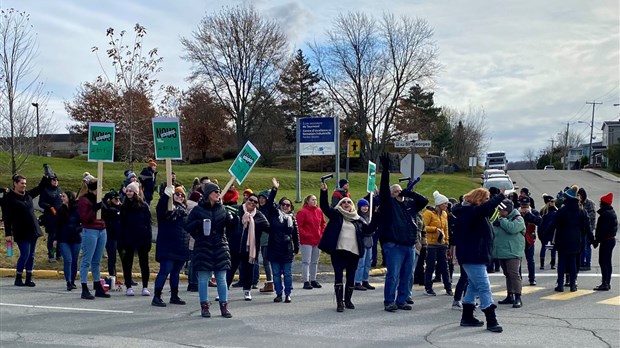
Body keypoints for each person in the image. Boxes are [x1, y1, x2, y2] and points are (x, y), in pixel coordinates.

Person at [378, 153, 428, 313]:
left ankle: (402, 299)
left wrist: (409, 193)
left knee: (407, 275)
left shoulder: (410, 205)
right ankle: (389, 301)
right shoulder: (389, 205)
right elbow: (384, 190)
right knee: (393, 275)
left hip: (409, 244)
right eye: (396, 191)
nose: (398, 193)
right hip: (394, 245)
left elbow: (424, 201)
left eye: (400, 191)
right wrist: (386, 170)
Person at [455, 187, 505, 333]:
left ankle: (467, 317)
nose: (488, 202)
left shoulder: (473, 213)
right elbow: (486, 208)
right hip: (472, 256)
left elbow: (487, 210)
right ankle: (491, 319)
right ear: (479, 199)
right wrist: (500, 196)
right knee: (484, 286)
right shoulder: (470, 212)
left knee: (473, 286)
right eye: (486, 198)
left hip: (476, 255)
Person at [319, 182, 373, 312]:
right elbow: (325, 207)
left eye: (349, 203)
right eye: (344, 203)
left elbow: (370, 229)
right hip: (338, 251)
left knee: (350, 277)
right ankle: (339, 302)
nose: (347, 204)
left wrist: (377, 214)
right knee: (338, 276)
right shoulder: (336, 215)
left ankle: (348, 300)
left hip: (353, 253)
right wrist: (324, 192)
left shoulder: (357, 219)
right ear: (340, 205)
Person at [185, 182, 235, 318]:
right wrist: (199, 227)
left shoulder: (222, 209)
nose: (218, 194)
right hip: (203, 246)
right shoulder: (198, 209)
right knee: (203, 278)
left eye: (219, 192)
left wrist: (232, 219)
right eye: (215, 192)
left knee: (221, 278)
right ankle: (204, 306)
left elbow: (231, 227)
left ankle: (224, 307)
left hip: (220, 246)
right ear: (208, 194)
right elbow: (188, 226)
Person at [2, 174, 46, 287]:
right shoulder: (9, 198)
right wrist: (8, 234)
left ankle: (29, 278)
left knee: (31, 255)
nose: (24, 186)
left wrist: (46, 176)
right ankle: (18, 277)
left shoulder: (28, 195)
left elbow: (40, 188)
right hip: (21, 230)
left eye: (25, 183)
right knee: (25, 254)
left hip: (33, 230)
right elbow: (7, 217)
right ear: (15, 184)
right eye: (22, 183)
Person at [226, 191, 270, 301]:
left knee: (248, 270)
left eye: (255, 202)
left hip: (250, 249)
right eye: (251, 200)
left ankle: (247, 291)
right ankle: (223, 290)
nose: (252, 203)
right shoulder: (236, 210)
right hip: (234, 246)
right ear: (246, 200)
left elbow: (269, 227)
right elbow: (225, 218)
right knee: (230, 270)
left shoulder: (259, 216)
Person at [152, 186, 190, 307]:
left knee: (176, 272)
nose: (180, 196)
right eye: (177, 194)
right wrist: (165, 196)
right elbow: (160, 208)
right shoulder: (168, 208)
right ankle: (157, 296)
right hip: (168, 245)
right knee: (165, 270)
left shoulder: (184, 211)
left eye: (182, 195)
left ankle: (174, 295)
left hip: (181, 245)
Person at [551, 186, 593, 292]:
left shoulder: (562, 211)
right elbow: (588, 227)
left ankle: (560, 284)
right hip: (576, 241)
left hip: (562, 240)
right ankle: (573, 284)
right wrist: (593, 240)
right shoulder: (581, 212)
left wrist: (544, 233)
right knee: (573, 262)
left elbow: (553, 225)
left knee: (562, 262)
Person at [76, 175, 110, 299]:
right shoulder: (84, 200)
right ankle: (84, 287)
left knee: (97, 261)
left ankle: (97, 286)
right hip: (90, 230)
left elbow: (106, 214)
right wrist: (94, 209)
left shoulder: (98, 198)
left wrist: (104, 206)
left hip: (102, 230)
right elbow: (84, 218)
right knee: (86, 260)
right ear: (93, 188)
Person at [119, 181, 153, 296]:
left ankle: (145, 287)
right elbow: (121, 224)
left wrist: (148, 239)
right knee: (127, 263)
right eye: (127, 191)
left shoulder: (143, 207)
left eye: (131, 191)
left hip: (141, 238)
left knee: (144, 263)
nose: (128, 193)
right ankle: (128, 286)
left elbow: (148, 224)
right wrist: (121, 240)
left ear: (136, 193)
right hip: (128, 239)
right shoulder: (123, 207)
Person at [493, 199, 526, 308]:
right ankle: (509, 295)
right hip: (502, 251)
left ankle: (518, 297)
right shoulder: (501, 219)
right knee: (507, 275)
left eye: (502, 210)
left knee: (514, 274)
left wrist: (502, 221)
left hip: (513, 252)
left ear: (508, 210)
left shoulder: (518, 219)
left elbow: (512, 229)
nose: (500, 212)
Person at [266, 196, 300, 303]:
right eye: (283, 204)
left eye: (288, 205)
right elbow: (269, 203)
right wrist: (274, 189)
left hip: (287, 250)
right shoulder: (274, 215)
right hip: (274, 249)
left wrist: (296, 248)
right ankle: (278, 294)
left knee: (287, 274)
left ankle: (288, 294)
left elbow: (295, 235)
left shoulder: (292, 219)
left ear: (291, 207)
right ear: (280, 205)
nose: (285, 206)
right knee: (276, 274)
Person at [423, 191, 453, 296]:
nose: (446, 205)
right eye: (444, 203)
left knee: (444, 266)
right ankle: (428, 287)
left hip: (441, 244)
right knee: (430, 266)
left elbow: (446, 229)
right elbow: (424, 227)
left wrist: (447, 241)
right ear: (439, 204)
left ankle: (448, 287)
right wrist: (434, 229)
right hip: (431, 243)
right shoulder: (429, 213)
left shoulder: (444, 214)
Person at [296, 193, 326, 290]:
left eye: (315, 199)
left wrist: (321, 234)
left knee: (314, 261)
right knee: (306, 261)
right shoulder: (302, 212)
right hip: (306, 240)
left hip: (317, 240)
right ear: (307, 201)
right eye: (312, 199)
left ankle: (313, 279)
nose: (314, 201)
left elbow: (323, 223)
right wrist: (306, 234)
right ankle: (306, 281)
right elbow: (299, 227)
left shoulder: (319, 211)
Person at [55, 191, 82, 291]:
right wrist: (55, 239)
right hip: (64, 238)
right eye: (61, 196)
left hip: (76, 238)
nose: (62, 198)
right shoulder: (60, 210)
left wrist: (78, 229)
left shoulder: (77, 209)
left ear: (70, 197)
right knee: (68, 260)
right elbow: (57, 226)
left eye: (64, 196)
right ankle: (68, 282)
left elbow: (83, 222)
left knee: (74, 261)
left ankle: (73, 281)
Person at [592, 193, 617, 291]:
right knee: (607, 262)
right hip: (610, 240)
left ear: (603, 203)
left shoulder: (604, 215)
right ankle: (607, 282)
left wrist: (596, 241)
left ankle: (605, 283)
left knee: (603, 262)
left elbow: (601, 230)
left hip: (606, 241)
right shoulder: (611, 212)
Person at [39, 173, 62, 262]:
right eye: (54, 180)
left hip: (60, 217)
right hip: (50, 218)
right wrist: (50, 207)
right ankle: (51, 254)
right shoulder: (46, 190)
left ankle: (59, 254)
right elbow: (41, 203)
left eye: (57, 180)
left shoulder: (59, 190)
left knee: (59, 237)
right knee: (52, 237)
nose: (56, 182)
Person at [518, 196, 542, 286]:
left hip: (530, 239)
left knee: (530, 260)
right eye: (523, 206)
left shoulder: (534, 212)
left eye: (526, 205)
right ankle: (518, 278)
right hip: (519, 239)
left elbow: (539, 222)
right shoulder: (516, 212)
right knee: (518, 260)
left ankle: (532, 278)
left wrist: (528, 214)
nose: (524, 208)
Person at [353, 199, 376, 291]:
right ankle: (357, 281)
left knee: (367, 263)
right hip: (361, 243)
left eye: (366, 206)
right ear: (359, 207)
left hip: (369, 243)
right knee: (360, 263)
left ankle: (365, 280)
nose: (365, 208)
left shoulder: (368, 217)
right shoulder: (357, 218)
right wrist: (370, 230)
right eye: (363, 206)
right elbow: (362, 230)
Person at [102, 189, 122, 281]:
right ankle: (112, 276)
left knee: (125, 258)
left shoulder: (122, 208)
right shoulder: (107, 210)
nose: (117, 200)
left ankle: (128, 277)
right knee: (112, 258)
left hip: (121, 238)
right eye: (115, 199)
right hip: (111, 237)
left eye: (118, 198)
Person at [577, 188, 596, 271]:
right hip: (579, 229)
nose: (578, 197)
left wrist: (583, 212)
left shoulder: (589, 203)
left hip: (588, 228)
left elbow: (592, 216)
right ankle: (581, 263)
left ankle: (588, 263)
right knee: (581, 247)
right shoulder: (577, 203)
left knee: (587, 246)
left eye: (579, 195)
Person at [539, 194, 558, 270]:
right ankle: (544, 264)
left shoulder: (555, 211)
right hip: (547, 233)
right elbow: (540, 224)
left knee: (551, 248)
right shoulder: (545, 212)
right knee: (546, 248)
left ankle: (551, 263)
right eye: (552, 201)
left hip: (551, 233)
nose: (553, 203)